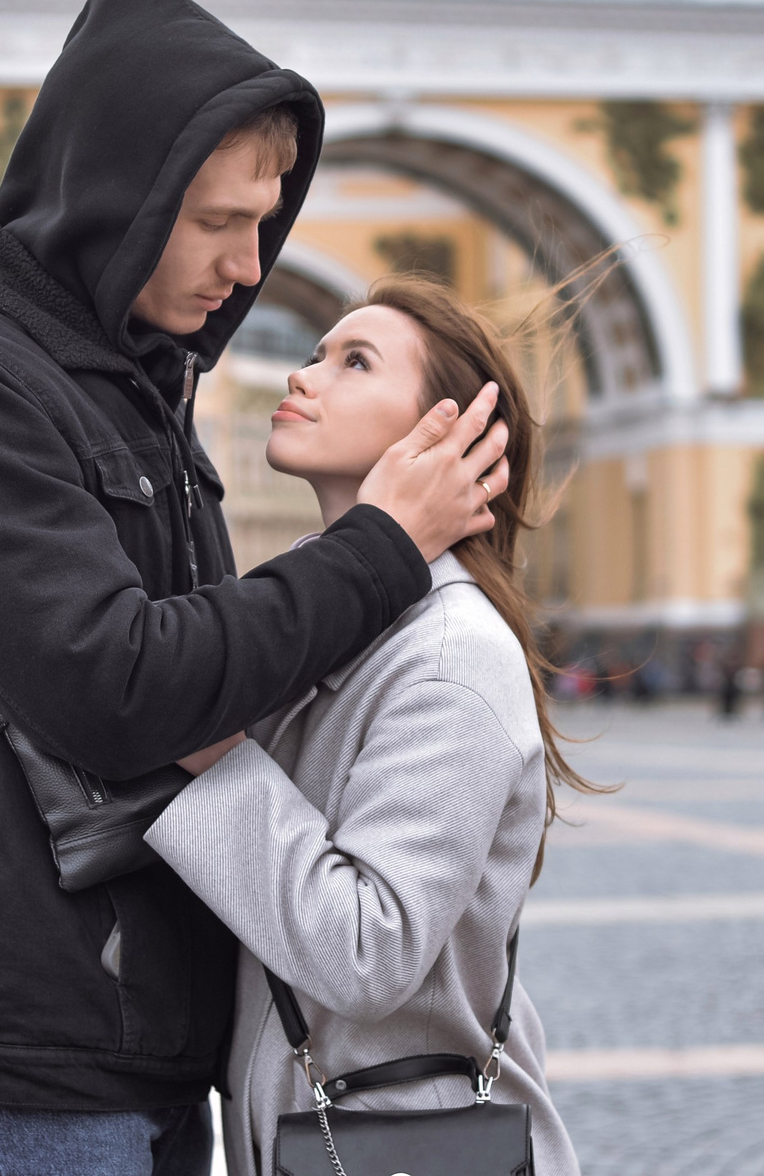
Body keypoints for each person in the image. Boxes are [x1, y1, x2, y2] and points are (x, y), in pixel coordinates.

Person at [0, 0, 508, 1176]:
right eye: (216, 220)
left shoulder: (134, 384)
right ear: (120, 187)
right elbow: (122, 684)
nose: (249, 266)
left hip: (141, 1044)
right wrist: (384, 544)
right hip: (35, 1057)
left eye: (265, 221)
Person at [148, 274, 590, 1176]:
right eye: (315, 353)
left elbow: (370, 947)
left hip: (404, 1141)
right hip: (327, 1136)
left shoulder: (455, 655)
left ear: (445, 431)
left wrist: (214, 757)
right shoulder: (312, 615)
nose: (306, 376)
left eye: (356, 362)